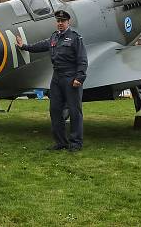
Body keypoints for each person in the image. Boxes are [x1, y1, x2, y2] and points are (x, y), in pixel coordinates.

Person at [16, 9, 88, 151]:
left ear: (68, 22)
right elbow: (40, 46)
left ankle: (75, 143)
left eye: (63, 21)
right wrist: (24, 46)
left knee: (74, 111)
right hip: (56, 78)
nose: (60, 23)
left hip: (71, 77)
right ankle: (61, 142)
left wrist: (80, 77)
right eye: (58, 21)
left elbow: (82, 59)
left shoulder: (75, 38)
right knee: (55, 110)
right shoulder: (54, 37)